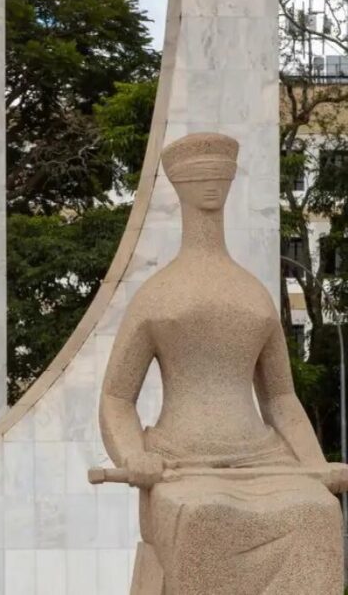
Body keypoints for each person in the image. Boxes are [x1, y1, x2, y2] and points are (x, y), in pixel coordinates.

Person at [99, 132, 348, 594]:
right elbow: (116, 397)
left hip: (263, 459)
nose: (211, 183)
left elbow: (280, 397)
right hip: (181, 461)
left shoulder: (253, 294)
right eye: (201, 175)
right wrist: (135, 456)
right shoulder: (157, 295)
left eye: (219, 175)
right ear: (180, 186)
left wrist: (316, 463)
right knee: (206, 515)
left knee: (318, 512)